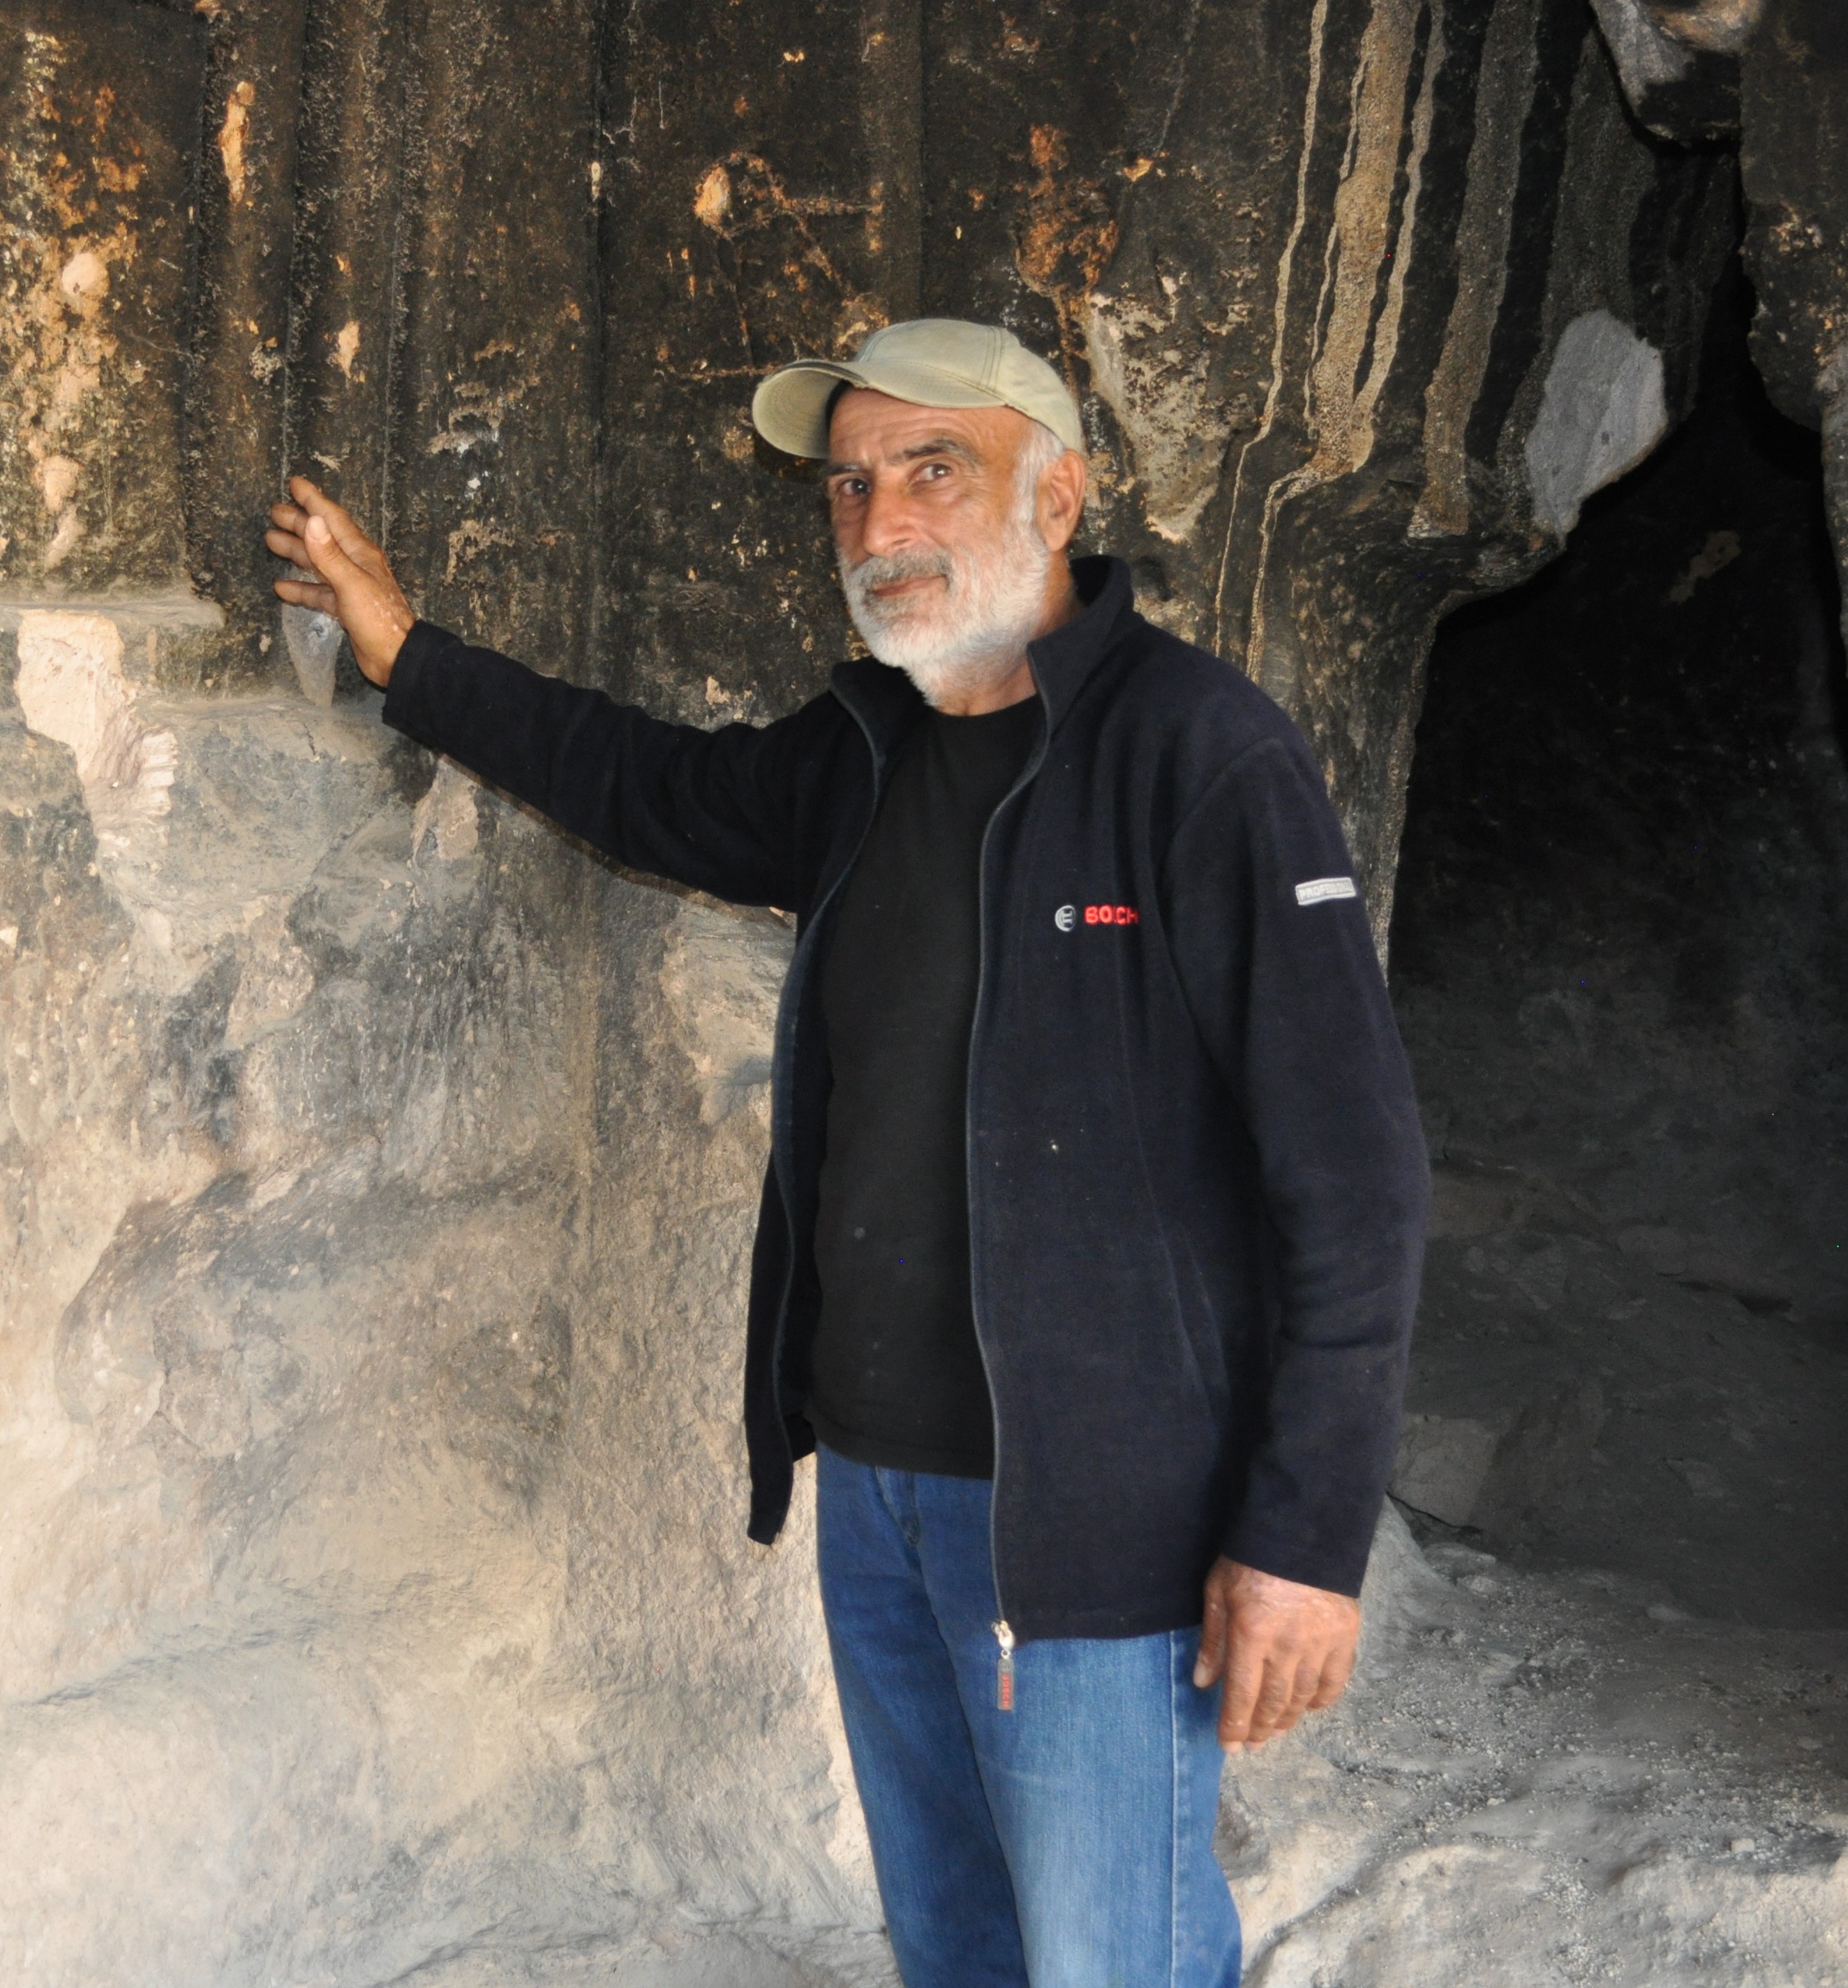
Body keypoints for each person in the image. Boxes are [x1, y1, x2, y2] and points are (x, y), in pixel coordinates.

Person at [262, 318, 1428, 1988]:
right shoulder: (863, 747)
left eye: (931, 469)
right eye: (849, 484)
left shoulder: (1197, 750)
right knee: (951, 1940)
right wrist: (408, 658)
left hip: (1091, 1517)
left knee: (1110, 1957)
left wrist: (1305, 1536)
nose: (880, 520)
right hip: (877, 1492)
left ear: (1056, 494)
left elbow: (1356, 1174)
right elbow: (648, 785)